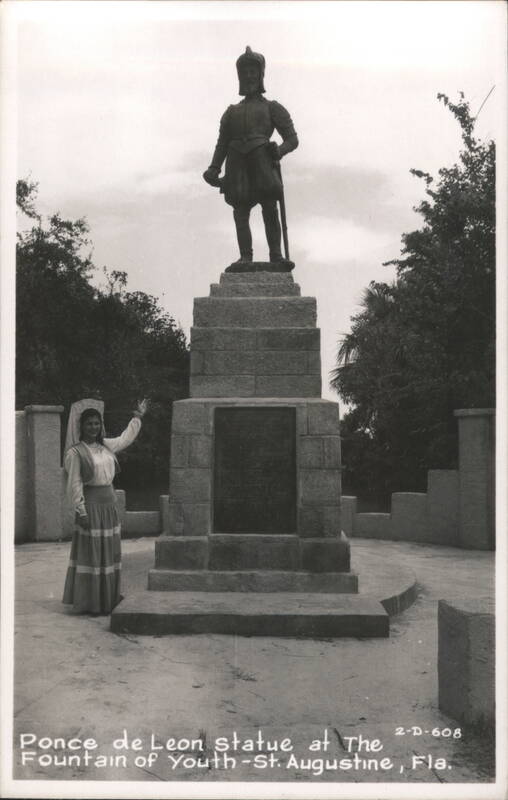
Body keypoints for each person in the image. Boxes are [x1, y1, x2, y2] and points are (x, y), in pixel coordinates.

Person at [203, 46, 298, 263]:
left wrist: (280, 150)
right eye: (244, 71)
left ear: (261, 74)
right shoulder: (231, 112)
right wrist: (214, 168)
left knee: (269, 208)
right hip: (237, 163)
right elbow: (222, 143)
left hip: (262, 160)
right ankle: (245, 257)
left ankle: (276, 256)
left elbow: (292, 138)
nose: (248, 75)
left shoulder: (272, 108)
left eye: (252, 71)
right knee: (240, 211)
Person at [62, 397, 148, 615]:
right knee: (92, 553)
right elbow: (74, 484)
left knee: (109, 553)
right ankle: (91, 602)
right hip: (90, 507)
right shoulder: (75, 452)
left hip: (109, 506)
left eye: (96, 423)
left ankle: (108, 598)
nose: (93, 427)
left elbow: (125, 438)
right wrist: (80, 510)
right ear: (81, 426)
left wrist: (137, 417)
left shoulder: (106, 446)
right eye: (89, 423)